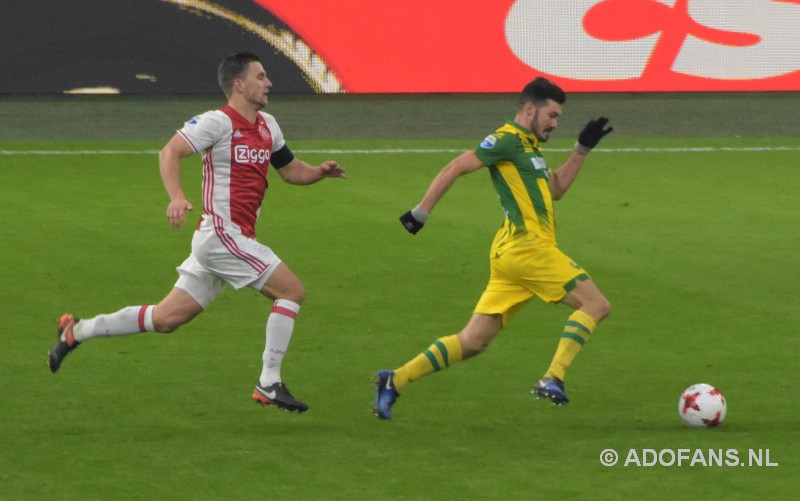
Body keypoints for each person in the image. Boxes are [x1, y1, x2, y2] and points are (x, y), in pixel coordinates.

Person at [49, 52, 345, 413]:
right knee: (292, 291)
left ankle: (78, 330)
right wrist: (176, 197)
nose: (269, 83)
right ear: (239, 84)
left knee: (166, 319)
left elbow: (290, 170)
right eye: (261, 76)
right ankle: (269, 382)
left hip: (229, 240)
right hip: (222, 235)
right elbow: (169, 152)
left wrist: (318, 172)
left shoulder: (268, 125)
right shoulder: (216, 123)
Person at [374, 77, 612, 420]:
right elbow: (458, 165)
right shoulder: (506, 140)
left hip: (512, 255)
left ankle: (395, 379)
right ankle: (552, 377)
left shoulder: (530, 146)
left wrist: (581, 149)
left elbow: (555, 189)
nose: (555, 124)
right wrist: (420, 212)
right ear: (529, 109)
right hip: (528, 249)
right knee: (597, 305)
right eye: (552, 115)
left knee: (473, 341)